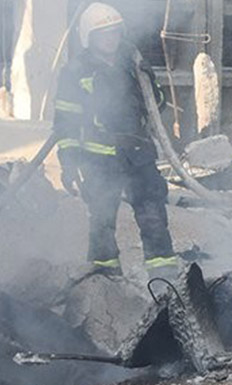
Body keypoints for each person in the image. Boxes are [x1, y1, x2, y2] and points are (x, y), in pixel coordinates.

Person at [53, 2, 181, 278]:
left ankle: (165, 280)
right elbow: (65, 123)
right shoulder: (76, 71)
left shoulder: (133, 63)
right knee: (102, 221)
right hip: (100, 159)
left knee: (153, 216)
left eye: (114, 32)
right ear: (89, 37)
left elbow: (157, 105)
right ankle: (106, 281)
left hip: (139, 153)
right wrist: (69, 163)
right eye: (103, 34)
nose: (110, 38)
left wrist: (148, 79)